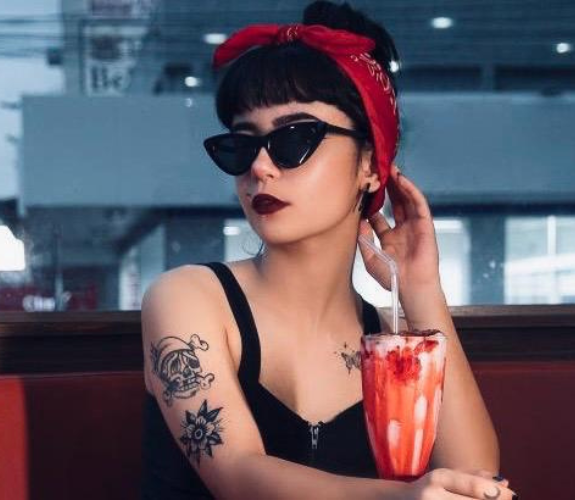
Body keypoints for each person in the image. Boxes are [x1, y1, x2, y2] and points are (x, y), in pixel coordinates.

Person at [141, 2, 516, 499]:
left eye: (294, 138)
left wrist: (421, 289)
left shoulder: (390, 343)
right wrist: (402, 497)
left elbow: (474, 480)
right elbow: (238, 475)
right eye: (242, 144)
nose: (260, 168)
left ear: (371, 165)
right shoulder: (188, 297)